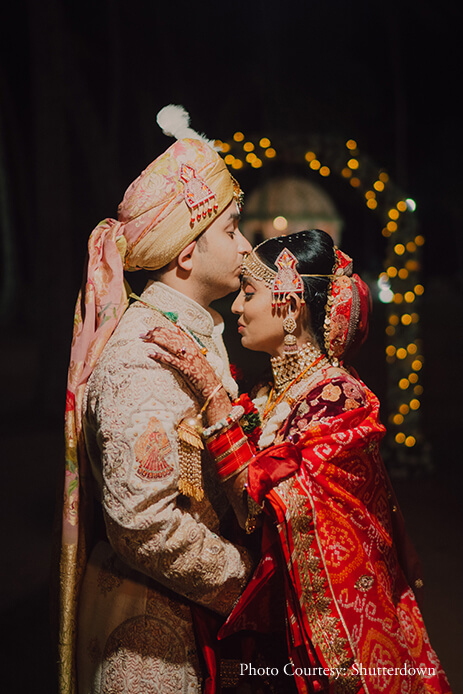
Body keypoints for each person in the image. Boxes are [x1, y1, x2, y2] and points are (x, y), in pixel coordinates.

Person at [146, 229, 451, 693]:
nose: (237, 307)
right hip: (278, 625)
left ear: (289, 306)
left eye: (249, 293)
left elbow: (261, 509)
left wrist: (214, 401)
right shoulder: (272, 394)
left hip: (333, 638)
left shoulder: (339, 401)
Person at [56, 106, 255, 694]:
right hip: (151, 642)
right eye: (231, 231)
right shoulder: (143, 355)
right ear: (187, 252)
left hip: (184, 617)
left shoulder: (187, 332)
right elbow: (143, 524)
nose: (246, 247)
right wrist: (249, 582)